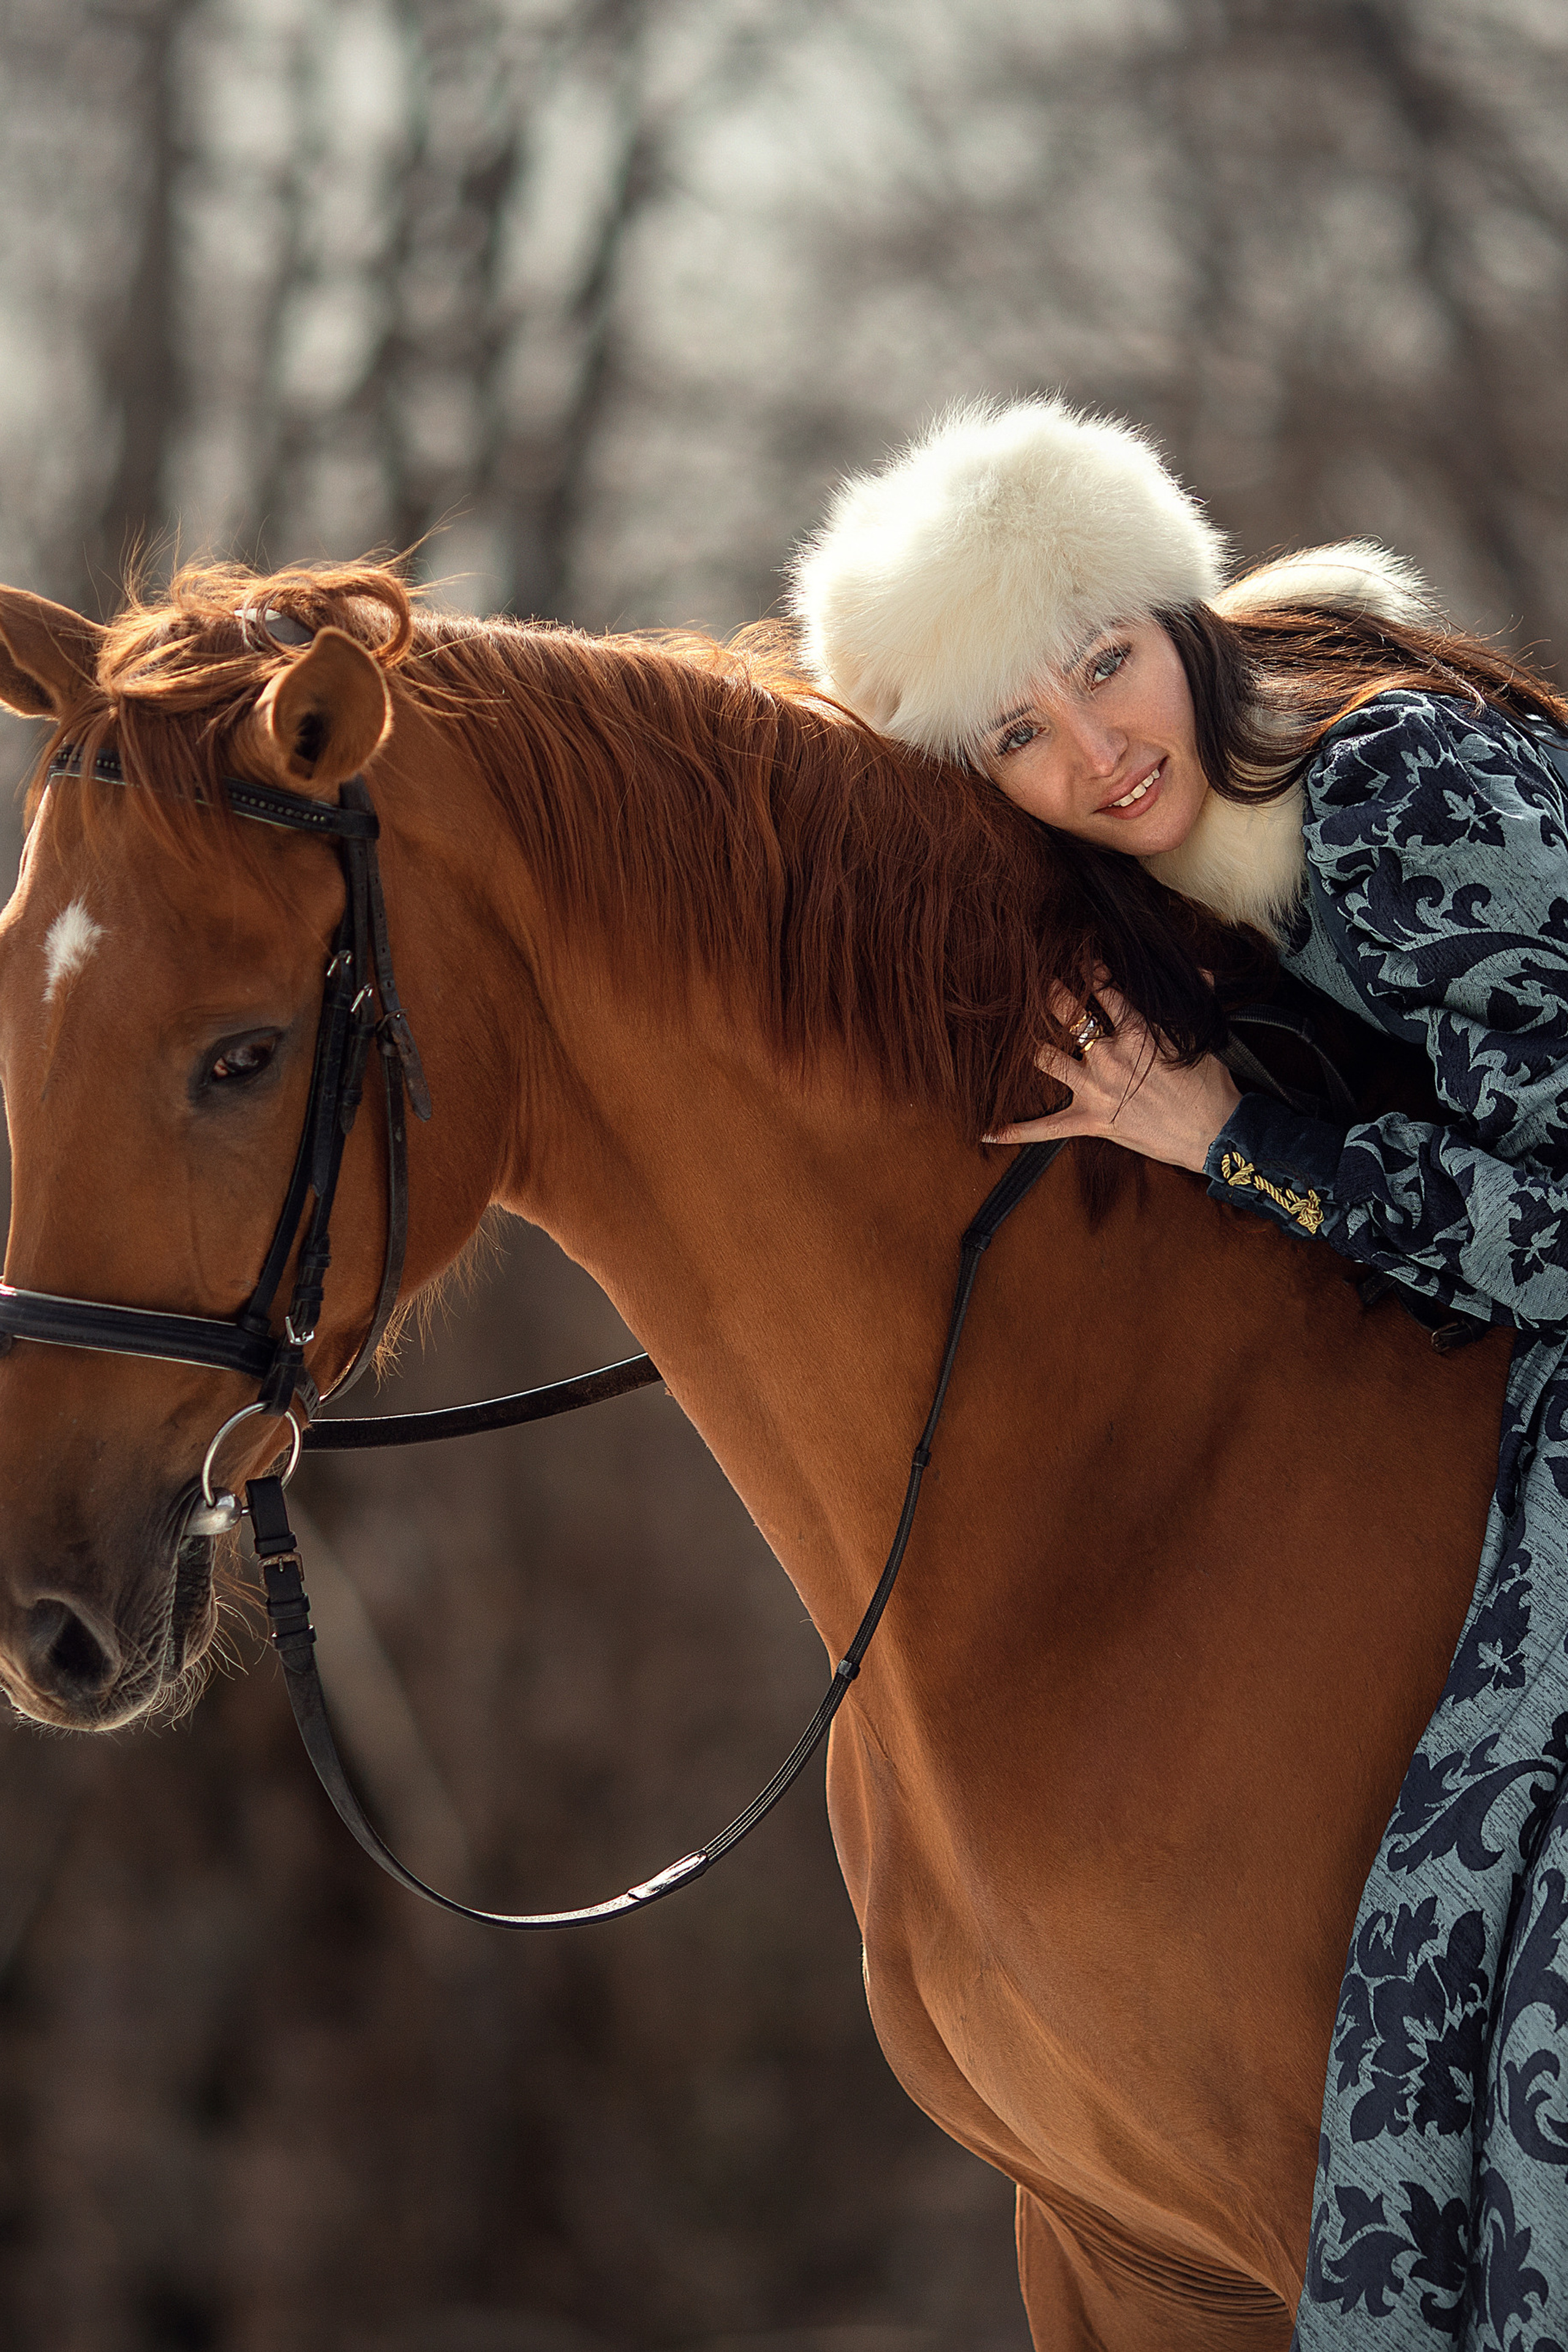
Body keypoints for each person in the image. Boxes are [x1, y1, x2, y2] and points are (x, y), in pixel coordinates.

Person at [789, 395, 1568, 2350]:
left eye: (1104, 663)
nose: (1094, 751)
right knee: (1431, 1967)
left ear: (1178, 612)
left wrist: (1237, 1145)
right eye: (1016, 736)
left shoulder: (1396, 794)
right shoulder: (1193, 875)